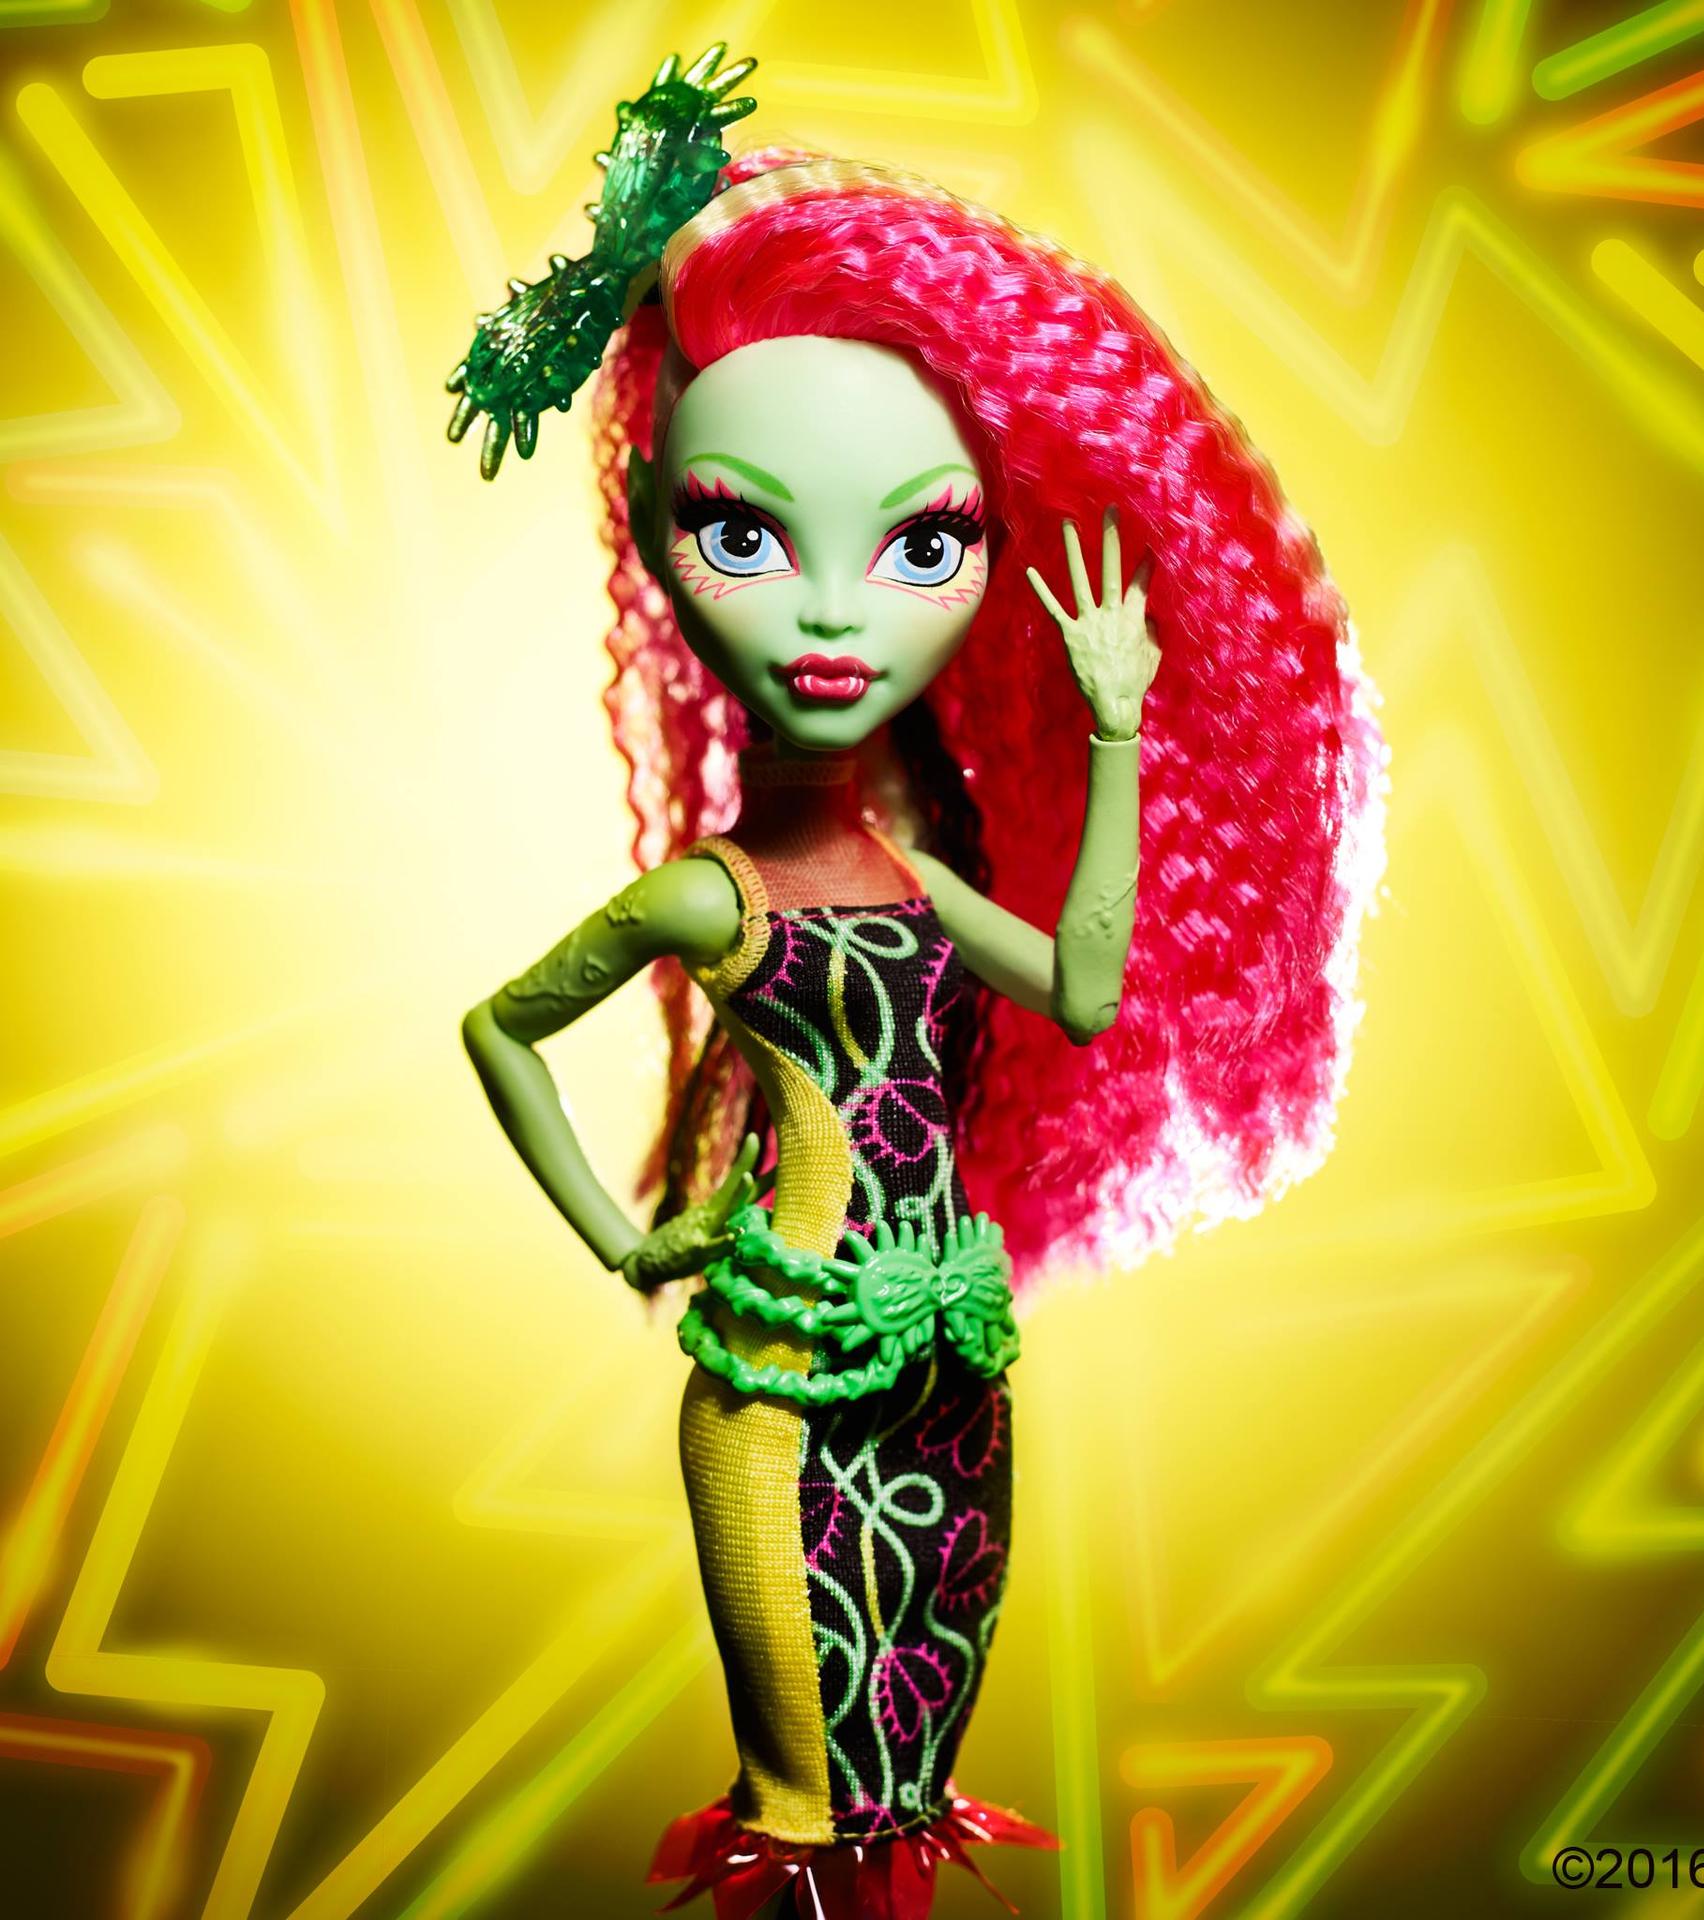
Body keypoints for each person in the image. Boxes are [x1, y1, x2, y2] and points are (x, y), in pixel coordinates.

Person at [454, 46, 1382, 1919]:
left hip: (951, 1376)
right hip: (783, 1382)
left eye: (922, 545)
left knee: (914, 1785)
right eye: (742, 533)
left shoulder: (922, 879)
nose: (826, 612)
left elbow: (1088, 989)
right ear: (658, 537)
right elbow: (501, 1028)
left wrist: (1112, 732)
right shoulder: (716, 898)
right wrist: (629, 1242)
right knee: (803, 1813)